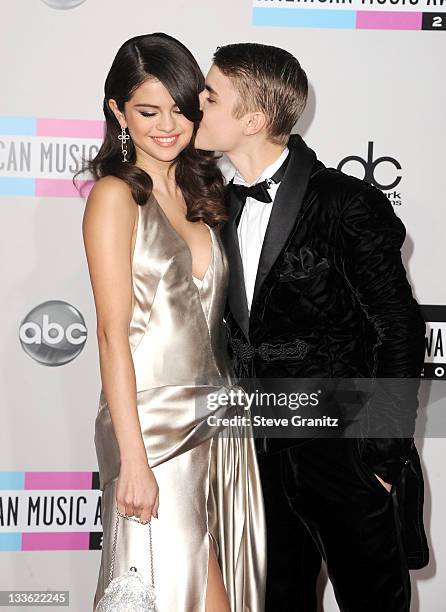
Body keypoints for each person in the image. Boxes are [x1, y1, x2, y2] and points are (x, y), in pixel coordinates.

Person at [195, 42, 429, 611]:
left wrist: (380, 453)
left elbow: (398, 328)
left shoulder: (346, 203)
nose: (195, 104)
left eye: (210, 95)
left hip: (344, 450)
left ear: (251, 119)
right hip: (256, 453)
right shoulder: (216, 206)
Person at [80, 34, 266, 612]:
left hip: (221, 426)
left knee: (222, 596)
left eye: (181, 109)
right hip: (154, 434)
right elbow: (112, 338)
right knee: (160, 591)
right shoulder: (114, 196)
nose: (167, 126)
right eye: (147, 110)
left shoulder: (199, 189)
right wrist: (132, 461)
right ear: (118, 112)